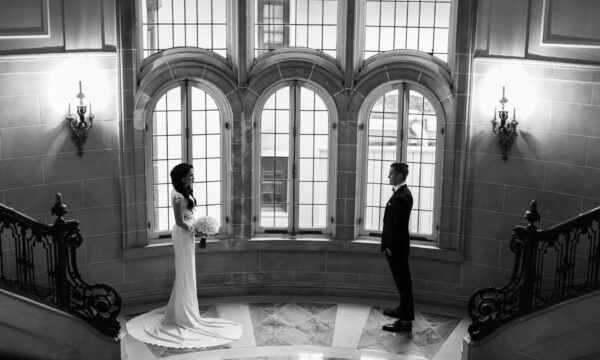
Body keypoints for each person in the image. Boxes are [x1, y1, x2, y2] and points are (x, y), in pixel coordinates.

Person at [126, 163, 242, 348]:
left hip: (188, 235)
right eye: (190, 175)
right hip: (182, 235)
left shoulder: (184, 191)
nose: (193, 178)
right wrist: (196, 229)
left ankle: (186, 309)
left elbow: (187, 216)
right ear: (182, 177)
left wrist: (197, 228)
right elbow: (179, 222)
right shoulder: (178, 196)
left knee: (188, 271)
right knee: (185, 271)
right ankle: (183, 314)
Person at [381, 162, 415, 333]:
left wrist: (390, 246)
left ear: (400, 176)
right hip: (397, 247)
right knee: (402, 283)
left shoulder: (402, 196)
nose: (389, 177)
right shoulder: (401, 193)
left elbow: (398, 226)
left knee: (404, 284)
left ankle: (406, 321)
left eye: (391, 174)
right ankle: (402, 310)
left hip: (396, 248)